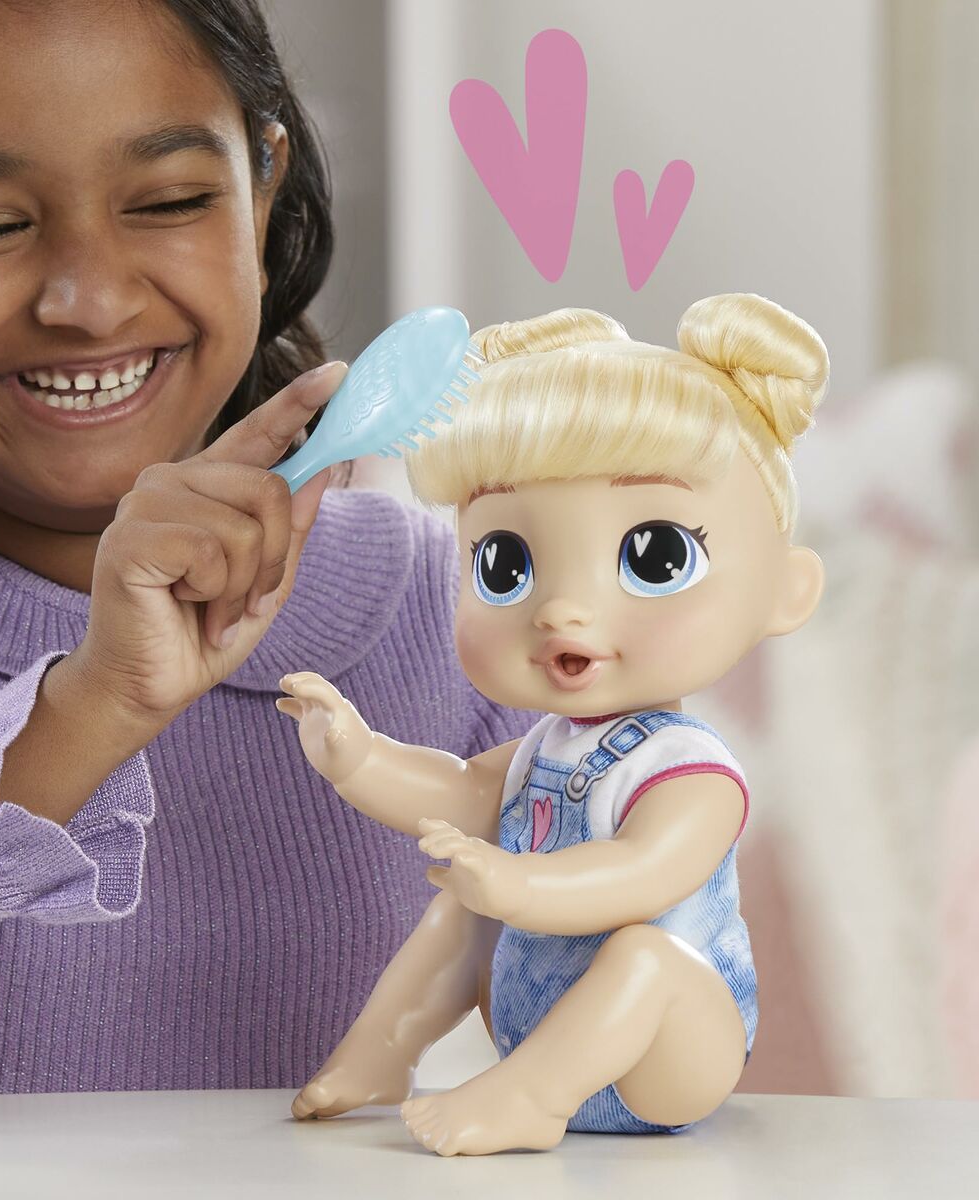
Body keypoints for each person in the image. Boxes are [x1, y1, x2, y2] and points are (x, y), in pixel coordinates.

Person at [0, 0, 535, 1109]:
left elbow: (644, 998)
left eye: (173, 202)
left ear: (262, 193)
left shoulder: (444, 599)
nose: (90, 302)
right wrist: (94, 704)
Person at [277, 295, 828, 1154]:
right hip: (538, 1021)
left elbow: (641, 870)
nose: (564, 609)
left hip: (666, 1054)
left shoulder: (690, 773)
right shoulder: (546, 749)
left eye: (654, 557)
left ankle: (529, 1100)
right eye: (506, 565)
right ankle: (384, 1053)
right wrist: (357, 756)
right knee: (459, 913)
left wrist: (518, 886)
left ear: (785, 591)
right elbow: (459, 791)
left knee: (645, 956)